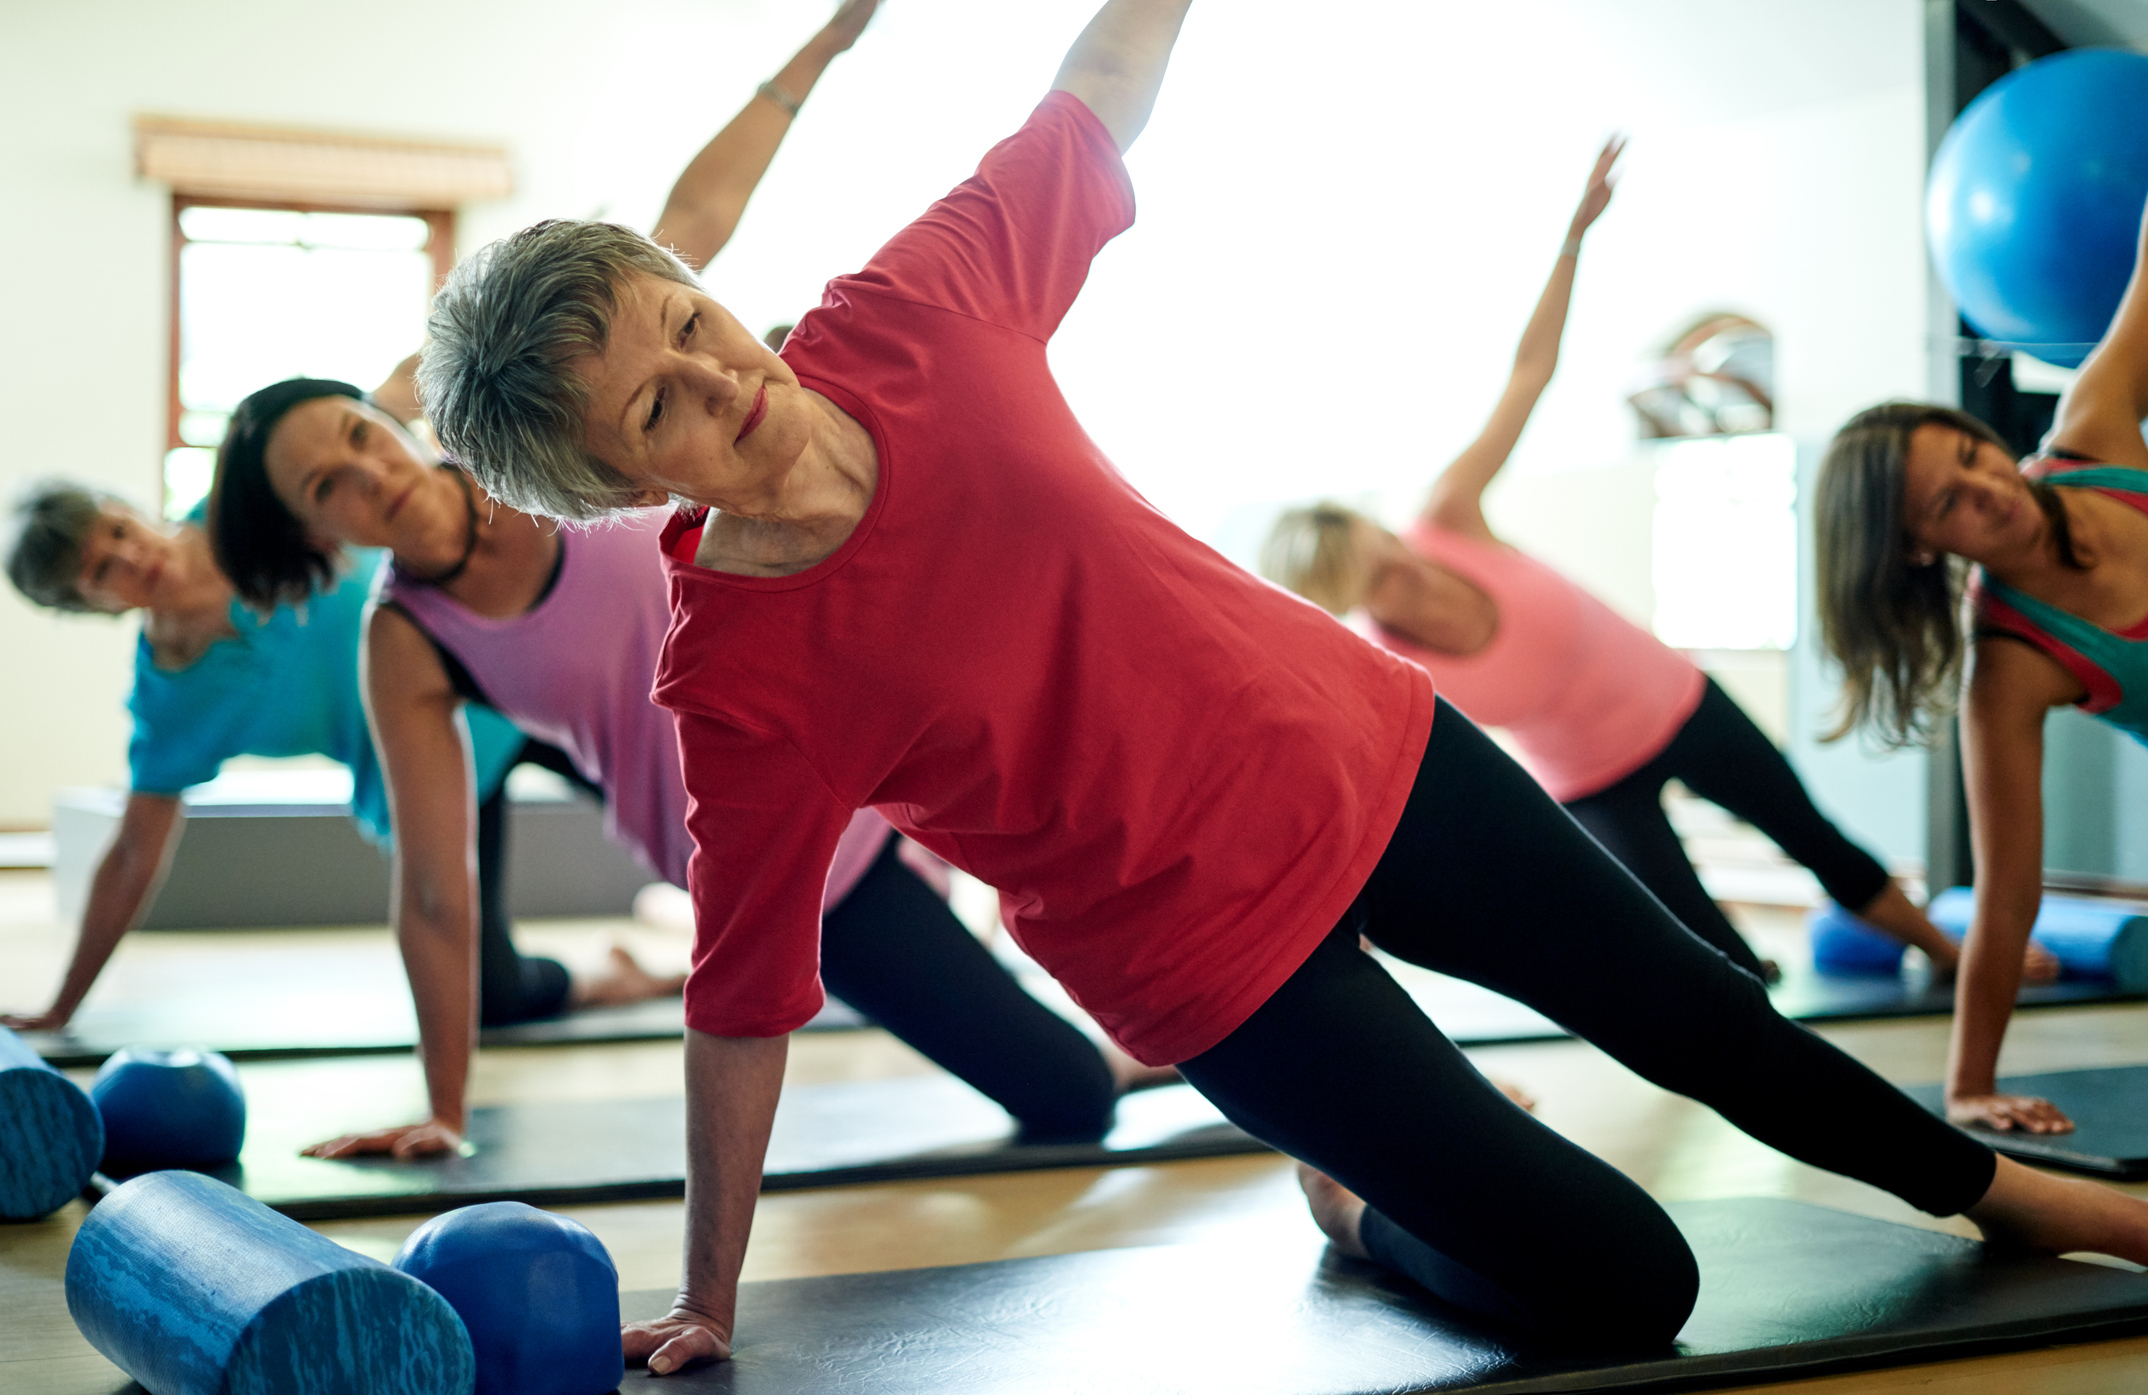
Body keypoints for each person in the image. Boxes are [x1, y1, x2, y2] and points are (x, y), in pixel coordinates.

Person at [417, 0, 2148, 1366]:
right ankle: (1354, 1205)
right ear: (622, 490)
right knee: (1627, 1281)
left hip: (1367, 756)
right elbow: (740, 995)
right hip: (1193, 955)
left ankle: (2020, 1203)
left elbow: (1090, 85)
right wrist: (712, 1287)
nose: (717, 378)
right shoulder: (732, 679)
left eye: (690, 322)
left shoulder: (909, 310)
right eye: (653, 408)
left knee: (1708, 1022)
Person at [210, 0, 1166, 1163]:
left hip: (890, 706)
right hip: (786, 845)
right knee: (1067, 1096)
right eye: (327, 490)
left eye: (357, 435)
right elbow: (436, 889)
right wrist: (447, 1106)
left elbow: (691, 222)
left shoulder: (554, 429)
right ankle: (1151, 1047)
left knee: (1133, 868)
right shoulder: (407, 640)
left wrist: (828, 42)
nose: (369, 477)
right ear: (319, 539)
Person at [1258, 141, 2054, 992]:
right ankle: (1754, 1004)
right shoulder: (1393, 665)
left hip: (1678, 699)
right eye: (1378, 583)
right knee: (1709, 962)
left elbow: (1530, 376)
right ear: (1348, 598)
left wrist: (1572, 240)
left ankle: (1950, 954)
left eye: (1389, 553)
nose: (1404, 575)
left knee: (1819, 842)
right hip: (1593, 782)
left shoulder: (1446, 515)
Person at [0, 484, 662, 1034]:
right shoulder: (171, 700)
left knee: (692, 823)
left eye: (117, 529)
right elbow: (131, 856)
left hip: (507, 668)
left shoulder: (246, 509)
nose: (128, 554)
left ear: (129, 507)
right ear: (90, 606)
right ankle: (622, 976)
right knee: (488, 996)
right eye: (99, 569)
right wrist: (63, 1004)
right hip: (430, 767)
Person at [1815, 191, 2148, 1137]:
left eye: (1972, 453)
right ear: (1921, 547)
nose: (1987, 487)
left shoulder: (2094, 436)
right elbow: (2006, 895)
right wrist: (1970, 1083)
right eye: (1946, 503)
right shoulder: (2010, 669)